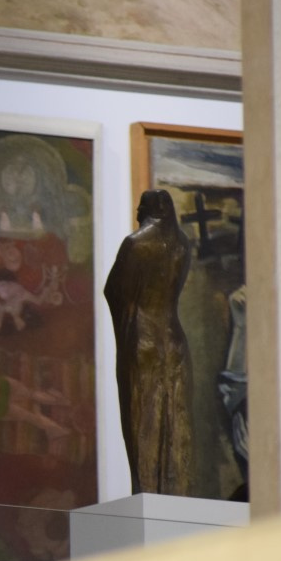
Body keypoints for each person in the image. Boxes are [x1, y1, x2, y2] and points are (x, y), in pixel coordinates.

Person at [104, 189, 196, 496]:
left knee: (142, 419)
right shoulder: (182, 245)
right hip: (174, 337)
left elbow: (114, 291)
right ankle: (176, 489)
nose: (136, 214)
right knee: (174, 418)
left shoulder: (135, 244)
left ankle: (146, 488)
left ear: (145, 209)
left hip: (142, 340)